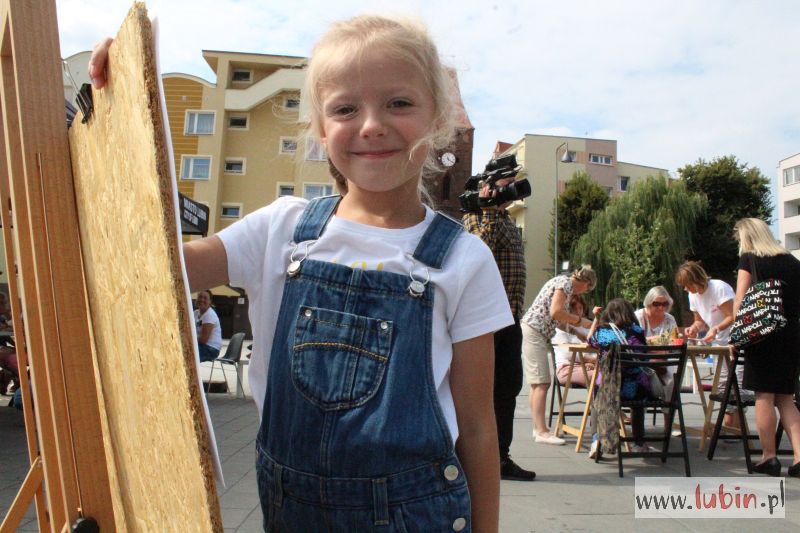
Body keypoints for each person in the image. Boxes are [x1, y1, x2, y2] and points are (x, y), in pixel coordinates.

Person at [90, 15, 508, 531]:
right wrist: (121, 109)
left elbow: (478, 428)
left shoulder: (465, 259)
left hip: (420, 517)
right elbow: (154, 264)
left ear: (438, 116)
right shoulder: (279, 229)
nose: (372, 124)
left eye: (399, 103)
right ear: (319, 127)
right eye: (346, 108)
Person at [463, 177, 535, 481]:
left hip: (510, 319)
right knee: (476, 392)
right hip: (483, 321)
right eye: (504, 185)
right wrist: (488, 209)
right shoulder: (473, 217)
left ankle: (500, 458)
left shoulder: (506, 219)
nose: (510, 191)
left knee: (507, 390)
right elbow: (478, 253)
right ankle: (467, 457)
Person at [733, 218, 800, 477]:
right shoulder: (793, 262)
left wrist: (736, 337)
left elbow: (740, 300)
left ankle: (769, 457)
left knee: (764, 396)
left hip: (762, 335)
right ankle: (797, 457)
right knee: (786, 398)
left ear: (746, 237)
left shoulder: (750, 258)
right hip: (791, 334)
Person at [521, 265, 596, 445]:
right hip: (535, 331)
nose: (584, 293)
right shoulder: (565, 285)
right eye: (588, 289)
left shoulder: (562, 283)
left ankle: (537, 427)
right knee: (541, 383)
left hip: (533, 329)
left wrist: (576, 331)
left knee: (536, 384)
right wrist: (580, 321)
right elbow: (556, 312)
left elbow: (555, 318)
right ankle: (542, 432)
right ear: (586, 283)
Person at [675, 261, 744, 427]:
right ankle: (732, 426)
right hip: (719, 344)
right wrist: (694, 328)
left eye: (687, 285)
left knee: (735, 384)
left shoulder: (719, 288)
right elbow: (699, 321)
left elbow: (732, 316)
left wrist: (716, 328)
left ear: (696, 280)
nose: (686, 289)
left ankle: (732, 425)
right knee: (722, 383)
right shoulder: (693, 295)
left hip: (735, 339)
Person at [587, 298, 655, 458]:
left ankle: (597, 440)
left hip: (609, 389)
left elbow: (589, 340)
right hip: (634, 390)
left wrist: (595, 319)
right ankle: (639, 443)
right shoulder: (637, 331)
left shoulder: (602, 332)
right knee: (638, 402)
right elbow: (644, 358)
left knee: (597, 402)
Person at [553, 295, 593, 387]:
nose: (578, 311)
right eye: (574, 309)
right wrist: (592, 360)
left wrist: (591, 362)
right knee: (602, 377)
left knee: (613, 374)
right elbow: (568, 354)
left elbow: (594, 348)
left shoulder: (586, 329)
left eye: (580, 308)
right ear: (567, 311)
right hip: (568, 369)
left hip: (589, 367)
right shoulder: (560, 330)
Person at [194, 289, 222, 363]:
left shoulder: (209, 315)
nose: (202, 300)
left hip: (211, 349)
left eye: (205, 298)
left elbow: (203, 340)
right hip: (202, 346)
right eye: (200, 297)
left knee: (187, 354)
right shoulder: (195, 313)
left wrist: (189, 339)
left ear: (210, 302)